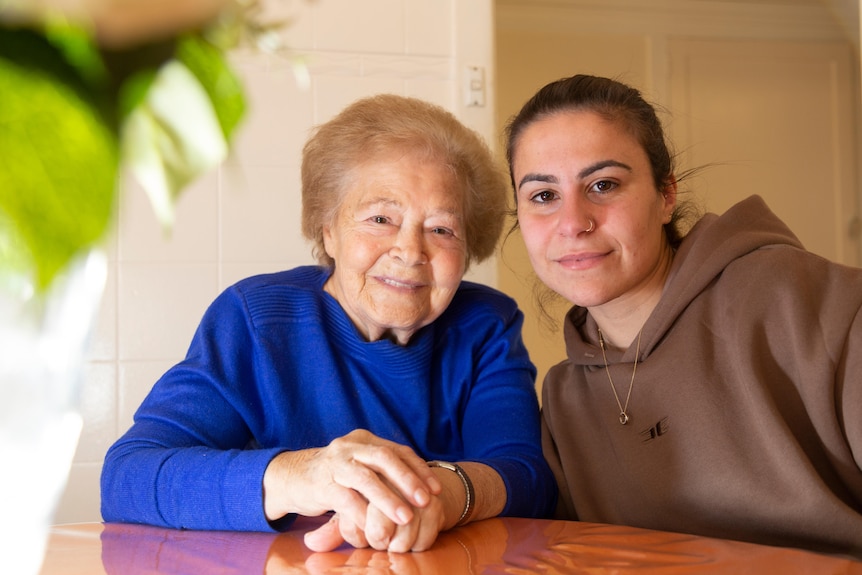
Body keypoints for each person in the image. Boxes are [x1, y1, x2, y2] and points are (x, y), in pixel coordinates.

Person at [101, 94, 556, 553]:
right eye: (381, 218)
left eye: (441, 229)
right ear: (328, 230)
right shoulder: (256, 319)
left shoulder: (485, 325)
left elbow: (526, 475)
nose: (410, 251)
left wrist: (436, 493)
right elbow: (128, 476)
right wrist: (301, 474)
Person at [504, 74, 862, 558]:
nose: (573, 223)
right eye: (543, 196)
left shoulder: (804, 300)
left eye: (603, 185)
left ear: (666, 196)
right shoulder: (564, 399)